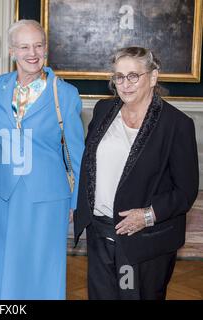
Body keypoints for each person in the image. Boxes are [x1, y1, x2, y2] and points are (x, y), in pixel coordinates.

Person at [74, 46, 199, 300]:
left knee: (133, 295)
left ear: (153, 77)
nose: (125, 84)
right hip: (100, 233)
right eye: (119, 77)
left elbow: (185, 191)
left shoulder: (176, 125)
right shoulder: (102, 111)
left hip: (141, 241)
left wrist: (147, 216)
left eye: (133, 75)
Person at [0, 20, 85, 299]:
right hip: (4, 192)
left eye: (38, 45)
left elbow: (77, 151)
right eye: (24, 46)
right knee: (5, 264)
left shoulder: (64, 93)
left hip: (47, 197)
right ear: (12, 51)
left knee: (44, 267)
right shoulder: (0, 86)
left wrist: (77, 201)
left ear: (46, 49)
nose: (33, 53)